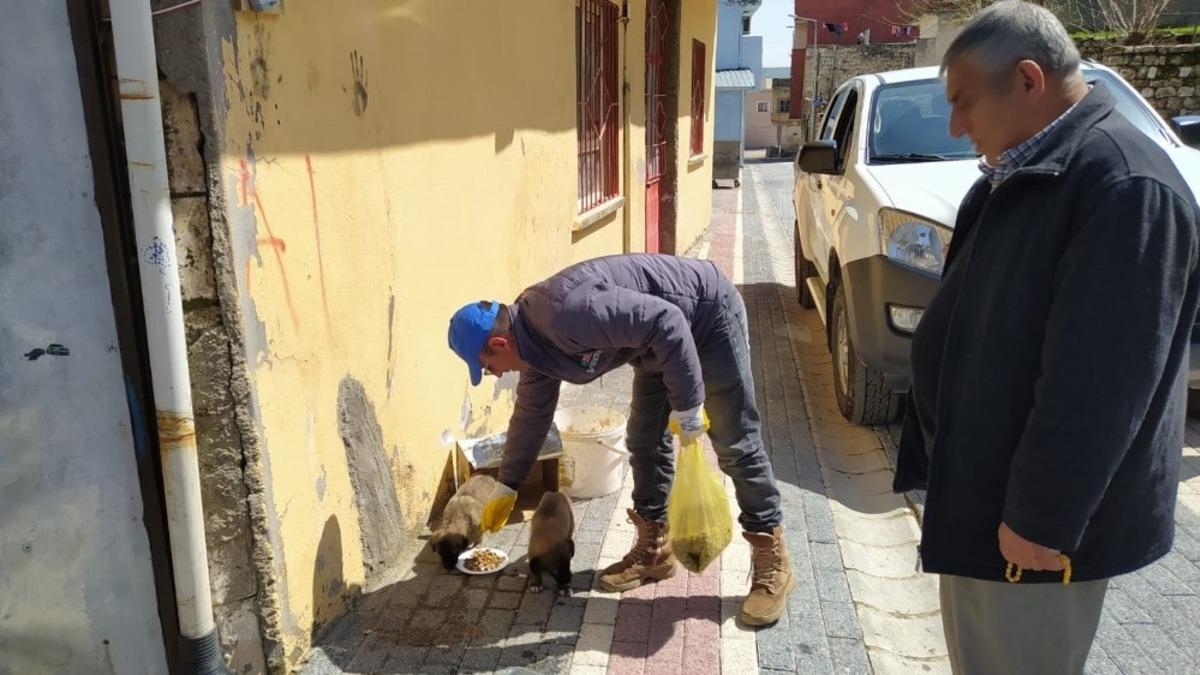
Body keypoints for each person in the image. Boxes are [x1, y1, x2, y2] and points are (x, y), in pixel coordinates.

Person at [894, 2, 1200, 673]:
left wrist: (1041, 518)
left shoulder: (1122, 185)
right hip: (985, 499)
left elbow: (1101, 385)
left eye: (964, 102)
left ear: (1029, 79)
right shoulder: (1030, 170)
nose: (955, 125)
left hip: (1029, 533)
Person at [448, 254, 795, 625]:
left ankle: (772, 558)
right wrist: (508, 485)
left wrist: (689, 405)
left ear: (500, 343)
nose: (493, 374)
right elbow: (531, 417)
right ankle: (654, 552)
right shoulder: (534, 349)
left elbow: (668, 320)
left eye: (487, 367)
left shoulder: (568, 314)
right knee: (644, 440)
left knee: (734, 442)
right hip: (655, 344)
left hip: (705, 319)